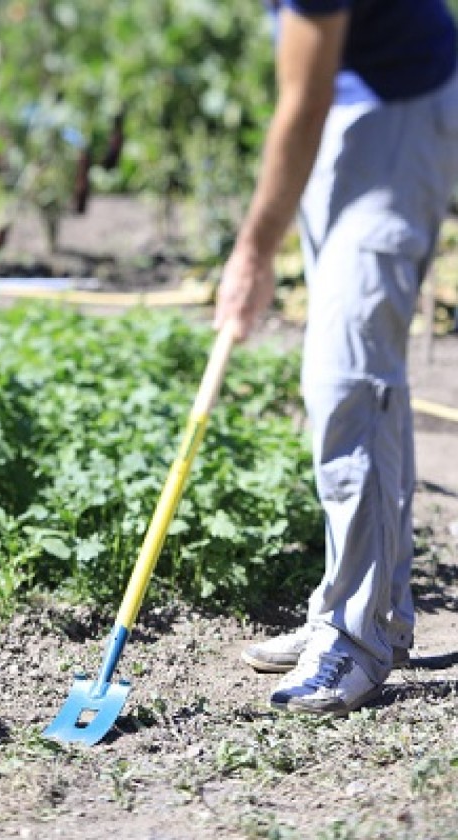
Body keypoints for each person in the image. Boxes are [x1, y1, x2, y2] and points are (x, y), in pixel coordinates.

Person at [213, 0, 458, 716]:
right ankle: (367, 608)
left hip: (397, 113)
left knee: (346, 376)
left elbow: (305, 93)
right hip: (350, 110)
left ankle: (355, 635)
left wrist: (254, 252)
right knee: (361, 365)